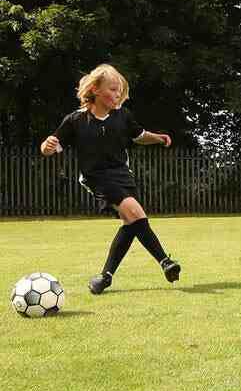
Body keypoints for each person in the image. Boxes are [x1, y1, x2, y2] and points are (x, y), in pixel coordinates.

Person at [40, 63, 181, 294]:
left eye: (120, 91)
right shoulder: (75, 120)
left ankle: (105, 277)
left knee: (131, 223)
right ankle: (165, 261)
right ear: (95, 89)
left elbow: (139, 135)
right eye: (113, 89)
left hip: (123, 175)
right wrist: (46, 146)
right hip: (96, 178)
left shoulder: (123, 116)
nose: (117, 95)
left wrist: (157, 138)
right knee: (135, 213)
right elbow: (51, 147)